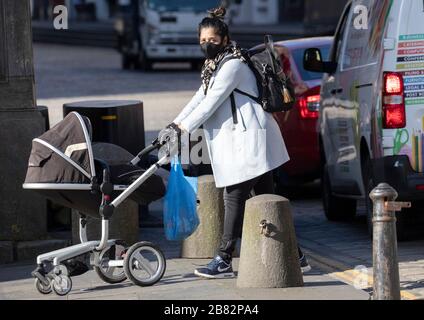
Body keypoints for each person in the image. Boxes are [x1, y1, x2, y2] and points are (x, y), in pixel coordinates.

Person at [159, 6, 311, 279]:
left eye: (212, 41)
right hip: (246, 142)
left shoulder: (233, 65)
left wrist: (182, 128)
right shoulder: (213, 66)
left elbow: (210, 102)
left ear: (225, 40)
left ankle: (224, 257)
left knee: (234, 195)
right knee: (267, 197)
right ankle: (296, 256)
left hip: (251, 140)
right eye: (202, 41)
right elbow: (198, 98)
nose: (207, 45)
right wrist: (174, 123)